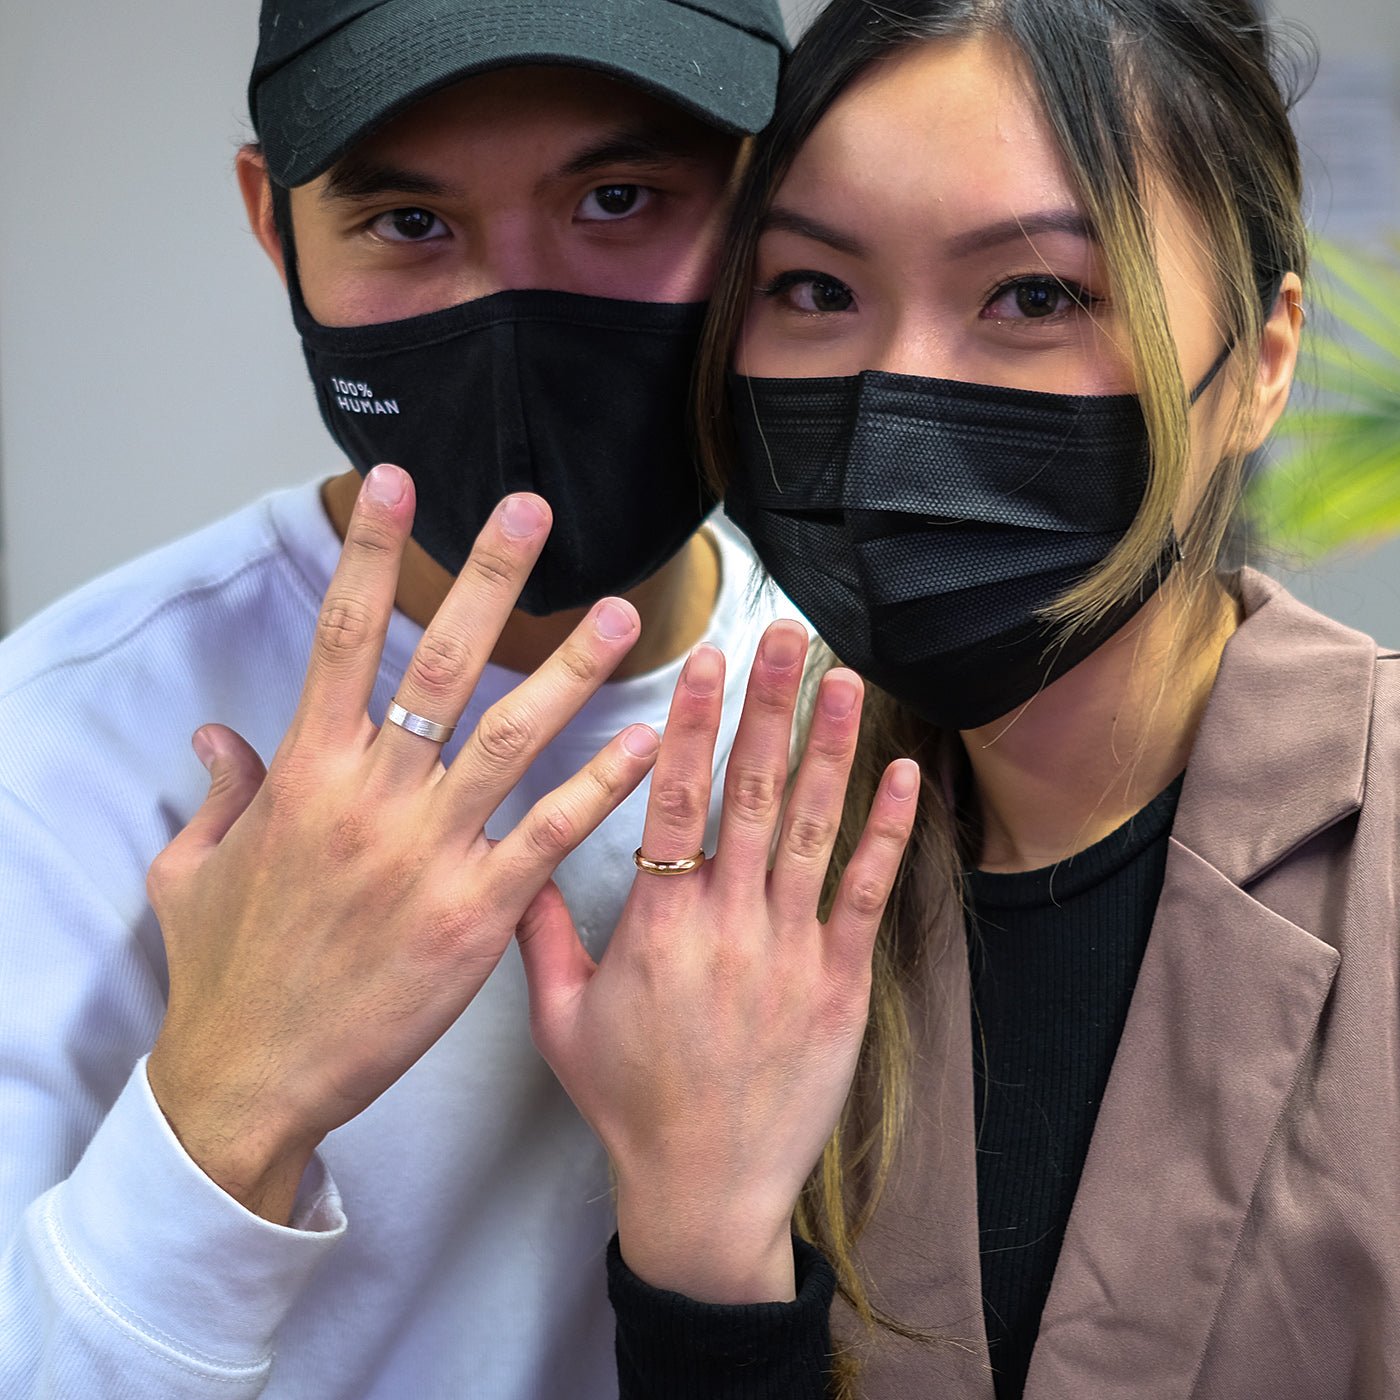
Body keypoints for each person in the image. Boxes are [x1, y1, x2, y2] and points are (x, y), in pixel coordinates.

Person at [519, 0, 1400, 1396]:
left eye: (1036, 296)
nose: (898, 396)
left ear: (1264, 361)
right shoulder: (733, 918)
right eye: (814, 290)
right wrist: (702, 1233)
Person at [0, 2, 805, 1396]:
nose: (515, 313)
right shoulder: (55, 752)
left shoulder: (875, 720)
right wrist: (226, 1101)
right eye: (409, 223)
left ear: (773, 198)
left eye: (620, 199)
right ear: (275, 225)